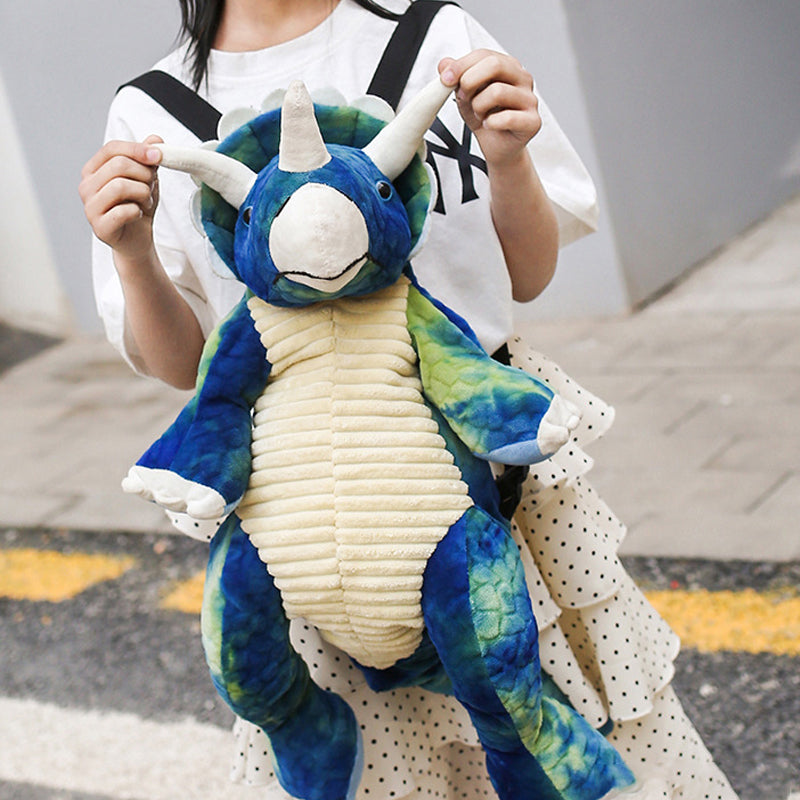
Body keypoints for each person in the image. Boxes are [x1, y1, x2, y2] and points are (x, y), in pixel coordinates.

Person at [79, 1, 740, 798]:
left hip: (492, 492)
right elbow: (184, 364)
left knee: (534, 721)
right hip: (311, 528)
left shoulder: (435, 37)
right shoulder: (152, 110)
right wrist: (131, 252)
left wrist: (508, 158)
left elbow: (527, 274)